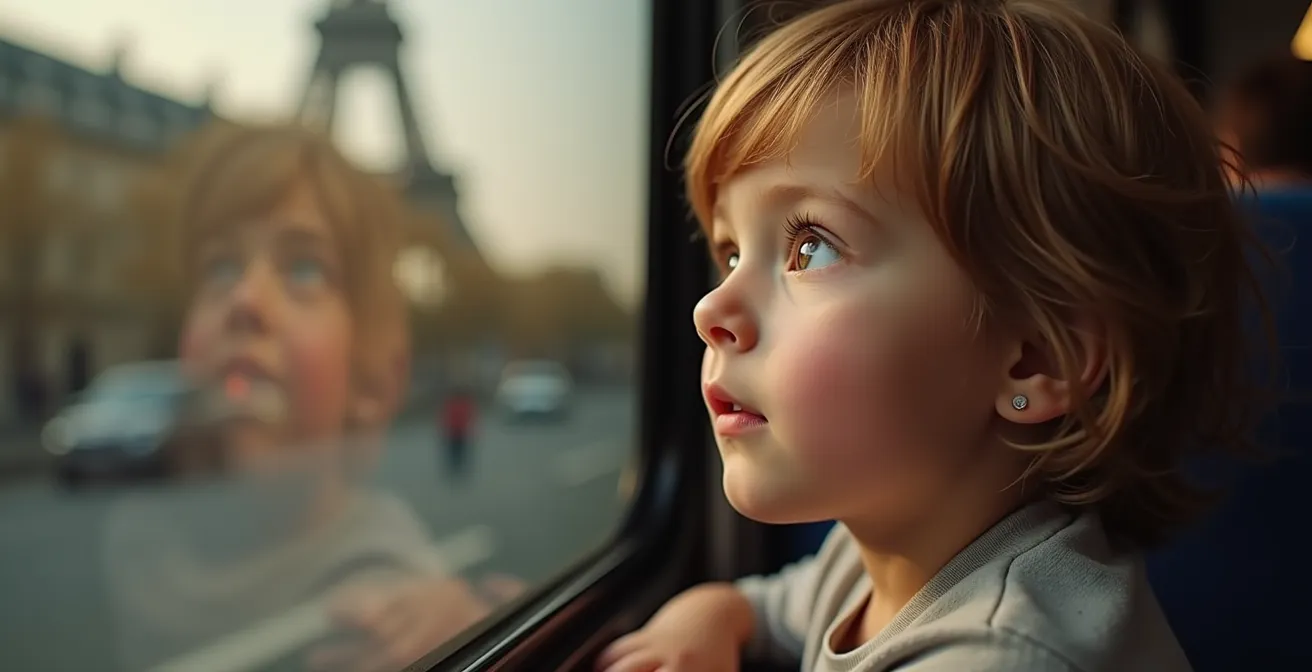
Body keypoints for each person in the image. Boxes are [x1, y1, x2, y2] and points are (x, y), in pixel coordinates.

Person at [597, 1, 1272, 671]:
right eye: (731, 253)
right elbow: (774, 608)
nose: (710, 308)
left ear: (1037, 358)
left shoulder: (1006, 652)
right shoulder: (881, 554)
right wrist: (709, 614)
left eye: (811, 248)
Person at [103, 123, 517, 672]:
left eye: (304, 268)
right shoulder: (135, 539)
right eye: (219, 267)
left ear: (372, 382)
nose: (245, 298)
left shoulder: (391, 607)